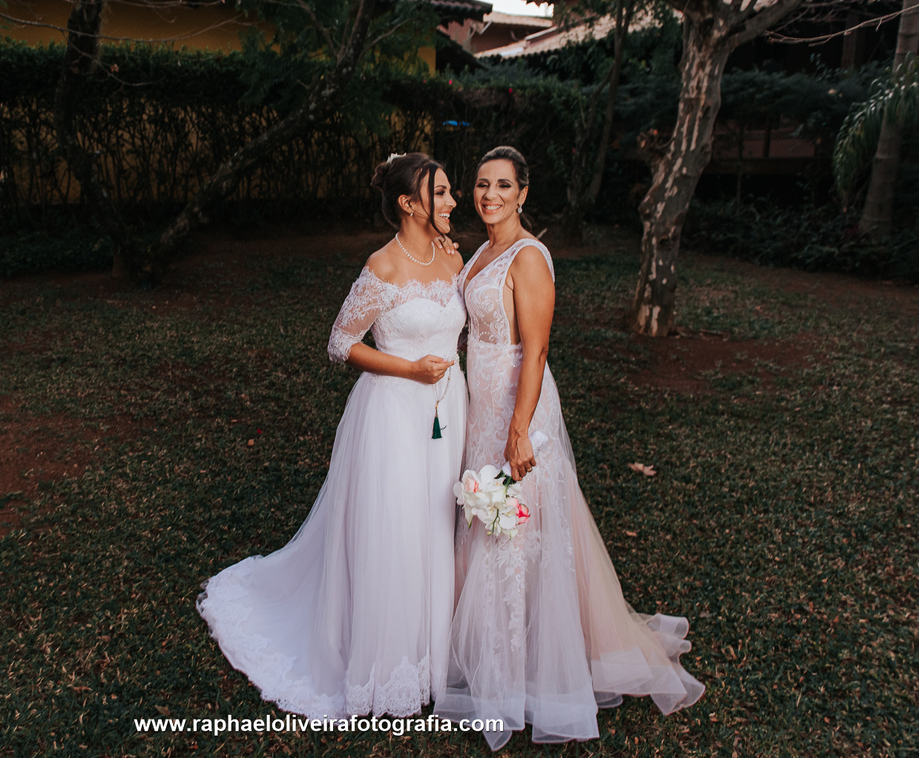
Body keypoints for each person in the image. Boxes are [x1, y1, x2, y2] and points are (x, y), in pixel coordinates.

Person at [437, 146, 704, 748]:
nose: (489, 195)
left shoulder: (529, 258)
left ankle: (518, 675)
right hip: (479, 409)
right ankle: (489, 652)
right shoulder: (480, 252)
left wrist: (518, 429)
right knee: (487, 527)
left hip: (517, 409)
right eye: (481, 184)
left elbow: (534, 351)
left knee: (514, 533)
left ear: (524, 192)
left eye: (503, 185)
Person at [197, 153, 468, 719]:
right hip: (394, 414)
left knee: (437, 522)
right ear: (408, 203)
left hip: (449, 412)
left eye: (449, 193)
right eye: (440, 194)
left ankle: (432, 649)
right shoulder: (382, 267)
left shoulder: (451, 254)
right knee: (396, 528)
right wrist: (409, 368)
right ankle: (388, 661)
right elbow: (340, 342)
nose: (451, 202)